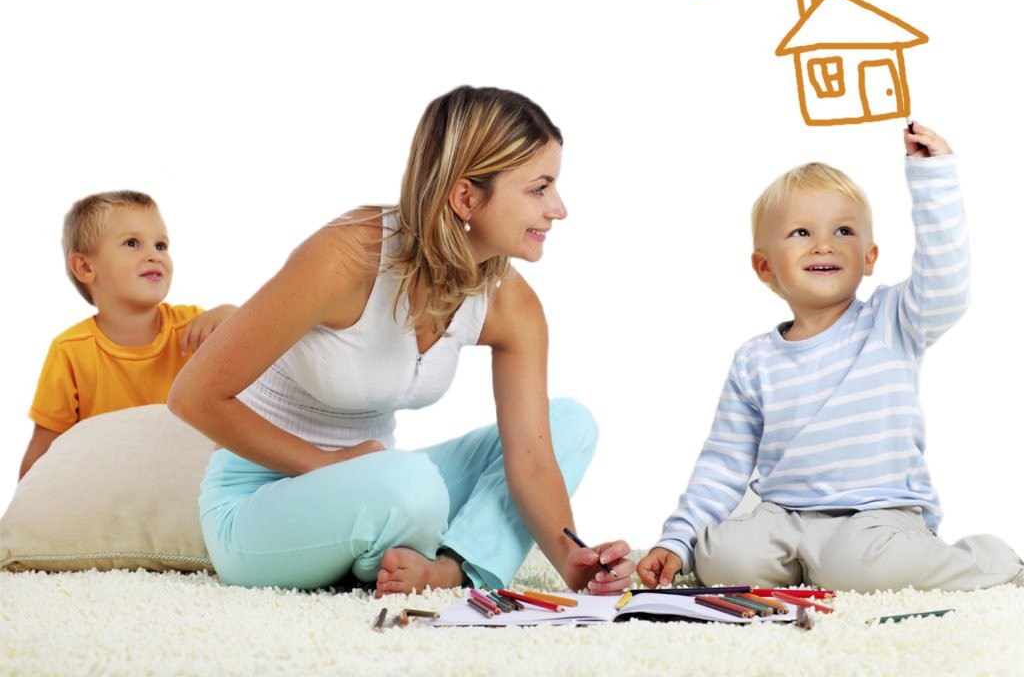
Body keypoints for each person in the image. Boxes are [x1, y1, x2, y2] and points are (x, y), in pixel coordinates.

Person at [168, 86, 634, 596]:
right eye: (539, 189)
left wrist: (572, 558)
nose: (559, 209)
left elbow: (532, 462)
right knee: (413, 486)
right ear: (465, 197)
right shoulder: (347, 258)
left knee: (570, 423)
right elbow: (193, 397)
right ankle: (415, 546)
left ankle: (453, 567)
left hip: (377, 490)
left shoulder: (510, 304)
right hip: (260, 504)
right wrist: (326, 466)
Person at [638, 122, 1024, 592]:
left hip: (878, 512)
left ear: (869, 257)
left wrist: (932, 178)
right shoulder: (754, 359)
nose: (824, 244)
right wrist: (677, 540)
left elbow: (946, 281)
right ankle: (807, 565)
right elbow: (723, 463)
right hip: (784, 515)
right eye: (801, 232)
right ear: (764, 266)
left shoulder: (891, 322)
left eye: (843, 230)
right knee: (721, 559)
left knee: (861, 568)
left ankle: (991, 560)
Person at [19, 190, 236, 478]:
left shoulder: (193, 326)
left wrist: (231, 315)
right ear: (85, 267)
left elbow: (261, 368)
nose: (154, 255)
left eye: (161, 245)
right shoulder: (71, 351)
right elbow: (43, 450)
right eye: (132, 243)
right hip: (109, 483)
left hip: (184, 476)